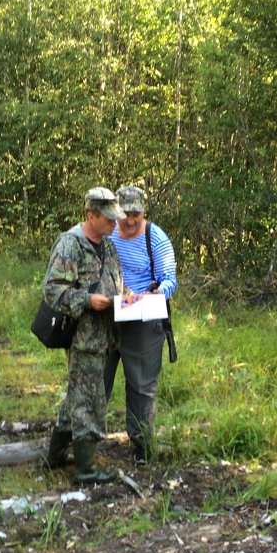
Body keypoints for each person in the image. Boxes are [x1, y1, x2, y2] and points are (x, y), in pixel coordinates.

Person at [42, 187, 125, 484]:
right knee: (89, 401)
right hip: (83, 338)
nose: (114, 224)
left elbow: (114, 283)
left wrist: (128, 300)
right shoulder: (70, 245)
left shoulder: (108, 245)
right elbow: (52, 291)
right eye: (108, 219)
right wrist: (88, 301)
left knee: (76, 397)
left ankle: (54, 457)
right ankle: (86, 470)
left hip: (105, 336)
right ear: (91, 215)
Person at [104, 185, 177, 465]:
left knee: (142, 386)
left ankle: (142, 447)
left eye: (136, 214)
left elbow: (169, 278)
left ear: (143, 212)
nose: (130, 221)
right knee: (99, 380)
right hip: (109, 316)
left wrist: (157, 293)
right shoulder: (108, 233)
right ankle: (85, 438)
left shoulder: (155, 238)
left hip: (144, 319)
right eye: (125, 215)